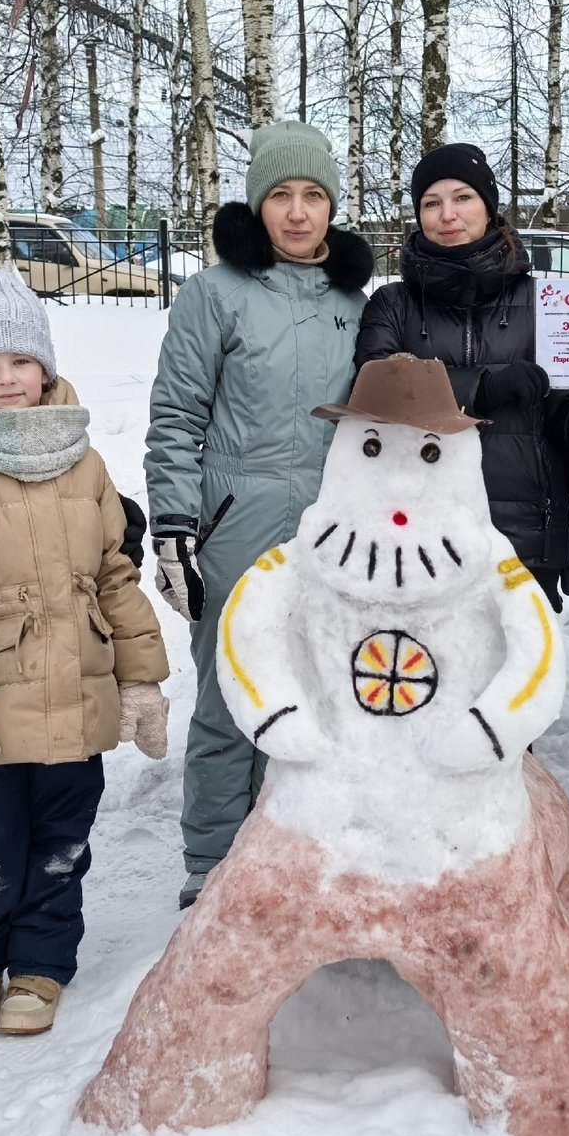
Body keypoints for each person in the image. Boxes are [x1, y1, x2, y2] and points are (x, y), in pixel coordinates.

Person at [0, 269, 171, 1037]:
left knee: (61, 846)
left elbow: (115, 576)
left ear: (46, 368)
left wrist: (142, 682)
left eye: (20, 362)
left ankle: (38, 968)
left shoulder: (85, 464)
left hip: (76, 697)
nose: (6, 379)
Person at [144, 121, 374, 908]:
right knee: (227, 693)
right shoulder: (215, 294)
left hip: (327, 525)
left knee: (317, 691)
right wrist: (174, 522)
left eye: (314, 195)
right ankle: (211, 865)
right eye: (282, 195)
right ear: (258, 204)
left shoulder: (354, 300)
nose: (299, 212)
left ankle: (300, 850)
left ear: (333, 207)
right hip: (234, 515)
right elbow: (176, 414)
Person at [353, 142, 569, 610]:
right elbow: (375, 391)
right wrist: (483, 387)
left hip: (522, 539)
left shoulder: (547, 303)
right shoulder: (393, 303)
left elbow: (566, 422)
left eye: (463, 198)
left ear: (488, 207)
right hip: (415, 536)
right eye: (431, 203)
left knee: (517, 683)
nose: (448, 215)